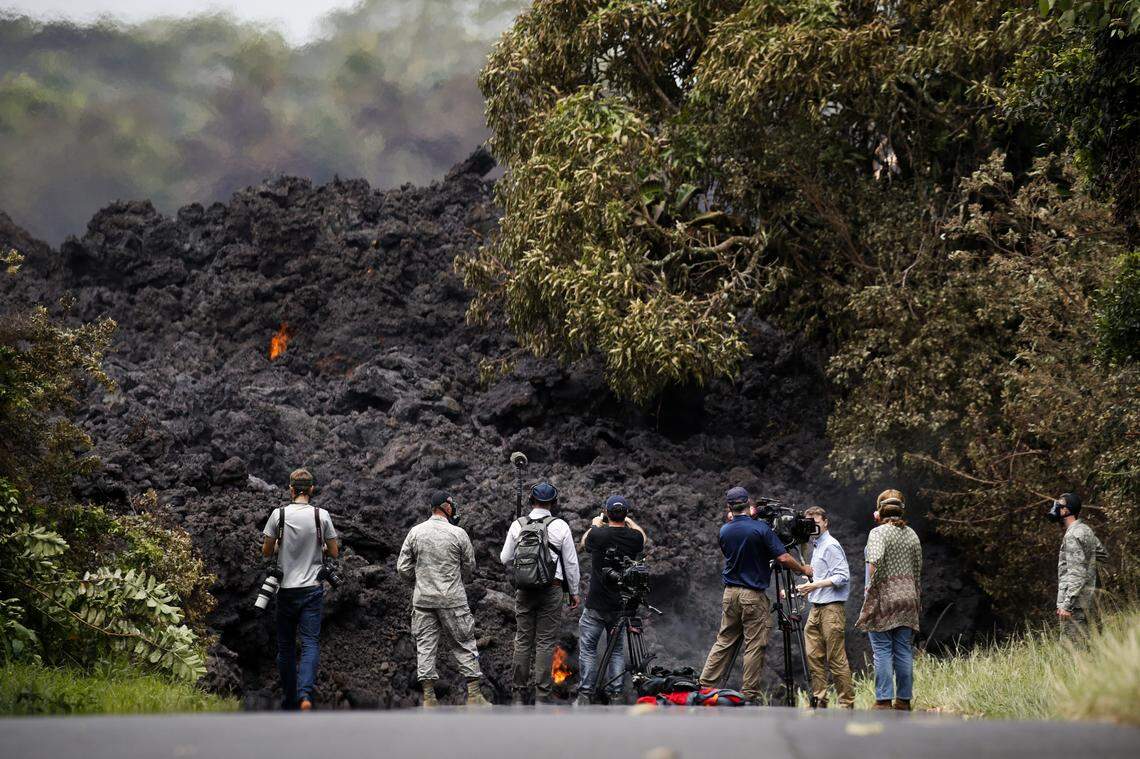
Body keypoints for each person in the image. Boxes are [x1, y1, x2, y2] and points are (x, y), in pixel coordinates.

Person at [699, 486, 813, 702]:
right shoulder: (761, 529)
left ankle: (705, 685)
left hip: (730, 594)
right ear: (748, 504)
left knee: (724, 640)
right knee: (754, 644)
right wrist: (803, 569)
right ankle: (749, 694)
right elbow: (783, 559)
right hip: (752, 595)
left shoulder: (724, 530)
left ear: (729, 507)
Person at [396, 491, 491, 707]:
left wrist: (420, 581)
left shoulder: (415, 532)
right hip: (452, 599)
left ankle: (429, 698)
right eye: (451, 504)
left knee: (425, 646)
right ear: (445, 507)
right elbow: (470, 566)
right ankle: (474, 695)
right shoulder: (458, 533)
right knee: (464, 642)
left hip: (423, 600)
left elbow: (402, 568)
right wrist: (456, 580)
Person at [260, 468, 339, 711]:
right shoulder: (321, 515)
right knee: (310, 643)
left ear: (291, 490)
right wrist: (321, 549)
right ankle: (305, 695)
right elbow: (334, 552)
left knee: (285, 647)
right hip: (312, 590)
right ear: (312, 489)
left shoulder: (278, 515)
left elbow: (266, 551)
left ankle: (289, 698)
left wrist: (279, 548)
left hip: (285, 590)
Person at [500, 482, 581, 705]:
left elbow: (504, 558)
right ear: (553, 503)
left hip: (524, 590)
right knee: (545, 642)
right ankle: (542, 696)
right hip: (552, 588)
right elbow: (571, 563)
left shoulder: (519, 524)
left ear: (531, 501)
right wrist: (573, 592)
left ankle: (518, 694)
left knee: (523, 640)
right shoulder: (560, 525)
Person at [575, 494, 648, 705]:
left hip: (596, 604)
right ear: (625, 515)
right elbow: (642, 538)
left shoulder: (598, 534)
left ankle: (585, 694)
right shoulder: (633, 537)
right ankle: (616, 694)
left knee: (588, 648)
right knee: (616, 650)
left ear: (606, 513)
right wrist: (629, 521)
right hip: (621, 605)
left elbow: (583, 542)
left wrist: (595, 525)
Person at [856, 489, 922, 711]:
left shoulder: (879, 533)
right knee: (903, 649)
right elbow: (917, 569)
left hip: (885, 597)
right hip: (908, 597)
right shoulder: (912, 534)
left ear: (879, 511)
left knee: (882, 649)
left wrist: (870, 592)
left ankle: (883, 700)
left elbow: (873, 561)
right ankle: (903, 700)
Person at [796, 506, 855, 709]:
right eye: (809, 522)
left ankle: (846, 704)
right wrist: (805, 585)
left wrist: (814, 585)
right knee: (814, 656)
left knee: (836, 658)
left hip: (832, 609)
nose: (813, 525)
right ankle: (820, 700)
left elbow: (842, 576)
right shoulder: (817, 545)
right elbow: (823, 576)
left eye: (816, 521)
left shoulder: (830, 545)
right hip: (816, 608)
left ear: (825, 522)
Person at [1049, 492, 1107, 640]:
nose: (1056, 509)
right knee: (1094, 650)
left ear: (1066, 510)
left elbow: (1077, 574)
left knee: (1075, 654)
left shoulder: (1072, 536)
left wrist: (1066, 605)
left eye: (1060, 506)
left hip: (1076, 606)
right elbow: (1103, 555)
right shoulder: (1085, 530)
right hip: (1092, 602)